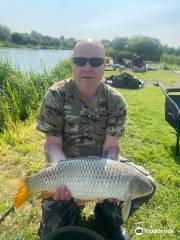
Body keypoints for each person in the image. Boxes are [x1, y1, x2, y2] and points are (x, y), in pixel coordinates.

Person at [36, 38, 156, 240]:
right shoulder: (55, 95)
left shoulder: (115, 100)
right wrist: (62, 170)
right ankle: (71, 208)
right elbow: (52, 145)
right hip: (66, 165)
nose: (87, 68)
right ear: (72, 63)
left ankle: (107, 214)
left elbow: (111, 147)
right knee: (52, 233)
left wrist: (111, 177)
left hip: (103, 165)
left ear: (105, 64)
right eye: (80, 61)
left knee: (146, 184)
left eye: (95, 61)